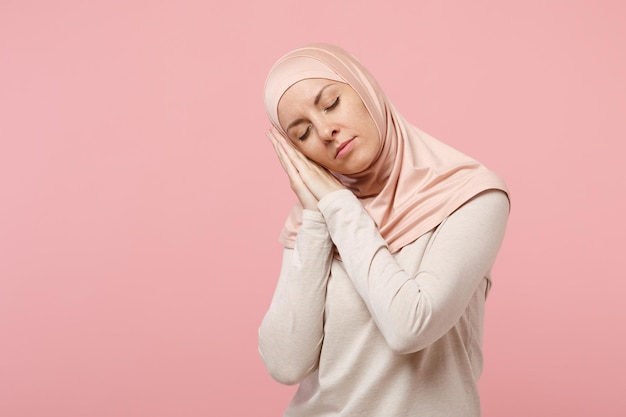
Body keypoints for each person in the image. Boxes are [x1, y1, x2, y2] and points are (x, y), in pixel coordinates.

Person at [258, 43, 510, 417]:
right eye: (303, 133)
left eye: (331, 103)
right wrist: (316, 218)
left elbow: (411, 325)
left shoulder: (471, 196)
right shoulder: (313, 218)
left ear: (364, 88)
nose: (326, 130)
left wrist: (340, 208)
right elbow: (286, 364)